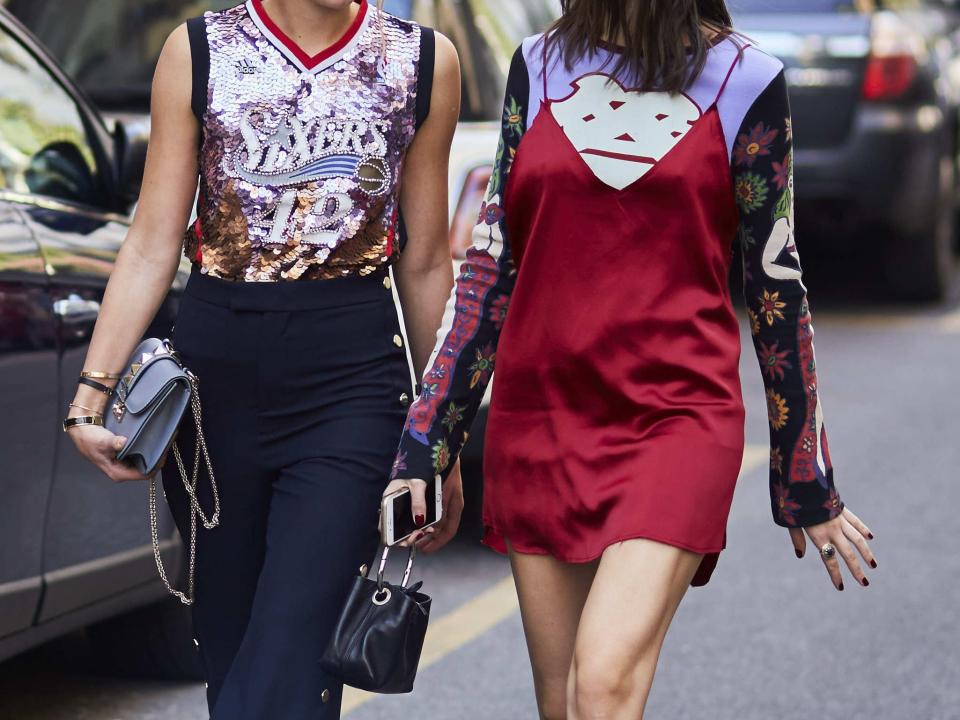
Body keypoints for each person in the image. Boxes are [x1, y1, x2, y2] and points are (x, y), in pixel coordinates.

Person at [385, 1, 878, 717]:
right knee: (566, 705)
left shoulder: (746, 78)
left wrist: (804, 472)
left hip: (678, 418)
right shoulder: (538, 65)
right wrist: (425, 445)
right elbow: (493, 266)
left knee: (605, 680)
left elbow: (775, 282)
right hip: (543, 419)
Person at [61, 1, 462, 717]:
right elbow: (154, 239)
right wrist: (90, 395)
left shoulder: (423, 60)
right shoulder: (200, 50)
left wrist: (441, 434)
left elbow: (427, 262)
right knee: (232, 648)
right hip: (217, 388)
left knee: (293, 647)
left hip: (353, 381)